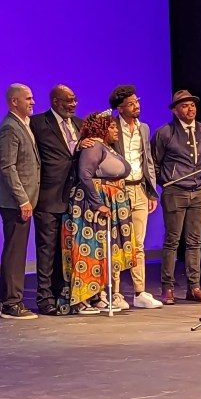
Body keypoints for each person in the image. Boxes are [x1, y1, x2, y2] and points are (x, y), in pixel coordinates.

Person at [62, 111, 136, 314]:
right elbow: (85, 175)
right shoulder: (93, 145)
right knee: (89, 249)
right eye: (111, 127)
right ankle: (81, 299)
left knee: (102, 251)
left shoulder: (107, 147)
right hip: (90, 204)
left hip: (109, 201)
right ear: (101, 128)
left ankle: (96, 296)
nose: (116, 130)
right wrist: (98, 204)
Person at [152, 90, 201, 305]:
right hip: (175, 192)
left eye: (192, 105)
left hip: (199, 191)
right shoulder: (165, 133)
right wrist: (166, 182)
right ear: (175, 110)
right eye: (185, 106)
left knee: (195, 241)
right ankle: (167, 288)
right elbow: (155, 163)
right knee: (172, 241)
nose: (190, 109)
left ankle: (194, 287)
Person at [28, 84, 83, 315]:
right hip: (48, 196)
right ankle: (45, 298)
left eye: (75, 100)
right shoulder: (38, 123)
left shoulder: (80, 124)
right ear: (55, 102)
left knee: (66, 251)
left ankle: (63, 295)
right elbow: (26, 153)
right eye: (68, 100)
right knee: (47, 249)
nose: (73, 104)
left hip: (74, 198)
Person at [108, 85, 163, 309]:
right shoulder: (112, 126)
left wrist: (151, 191)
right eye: (130, 104)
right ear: (120, 108)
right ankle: (115, 293)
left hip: (139, 188)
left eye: (137, 101)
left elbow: (147, 160)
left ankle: (140, 292)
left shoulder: (144, 128)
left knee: (138, 244)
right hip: (118, 190)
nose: (136, 106)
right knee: (116, 242)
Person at [0, 83, 41, 319]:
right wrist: (23, 200)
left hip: (23, 198)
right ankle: (11, 304)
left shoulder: (24, 124)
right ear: (15, 101)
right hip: (14, 201)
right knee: (15, 251)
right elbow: (8, 167)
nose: (33, 102)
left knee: (16, 250)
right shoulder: (10, 127)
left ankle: (8, 301)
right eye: (28, 98)